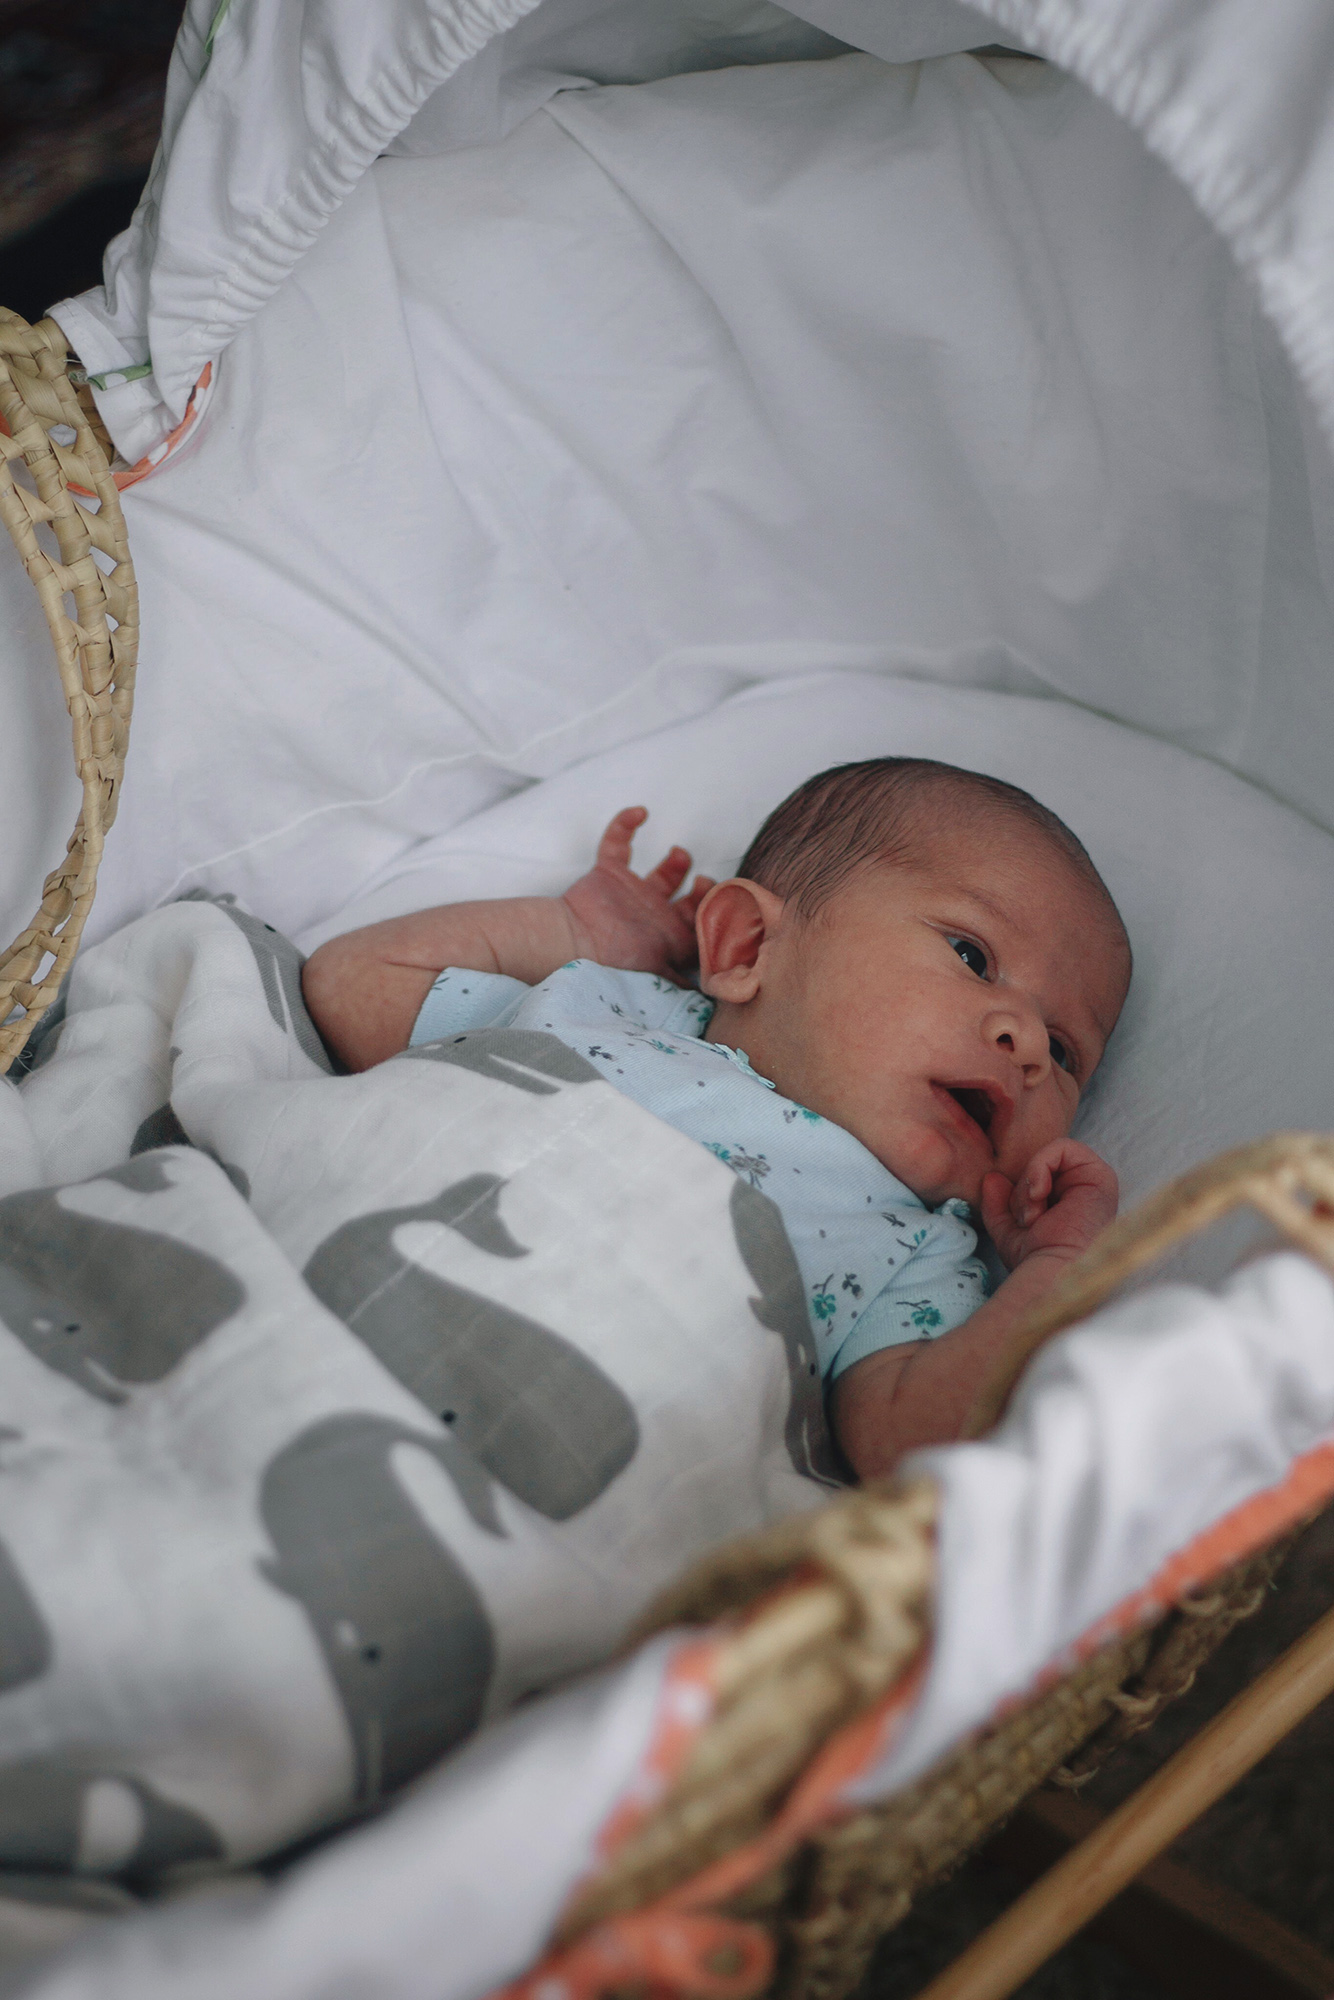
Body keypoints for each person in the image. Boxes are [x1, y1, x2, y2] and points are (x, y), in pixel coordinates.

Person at [302, 759, 1131, 1480]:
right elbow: (353, 983)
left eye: (1065, 1053)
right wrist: (572, 931)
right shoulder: (604, 1010)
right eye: (972, 956)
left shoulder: (917, 1260)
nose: (1024, 1043)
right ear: (743, 948)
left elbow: (915, 1454)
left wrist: (1058, 1267)